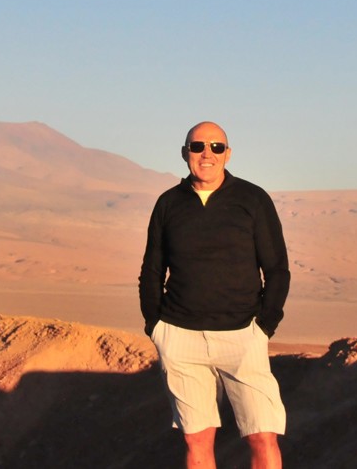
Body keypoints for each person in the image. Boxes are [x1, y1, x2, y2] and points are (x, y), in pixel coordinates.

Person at [139, 121, 290, 468]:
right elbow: (152, 269)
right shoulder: (168, 204)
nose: (206, 154)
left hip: (242, 336)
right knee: (197, 440)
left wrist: (264, 325)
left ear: (228, 154)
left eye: (216, 147)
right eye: (197, 147)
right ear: (185, 153)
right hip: (180, 336)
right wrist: (156, 326)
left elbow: (277, 267)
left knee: (263, 435)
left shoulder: (252, 200)